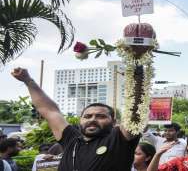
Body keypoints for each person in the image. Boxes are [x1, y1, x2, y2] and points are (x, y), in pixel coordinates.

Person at [11, 68, 140, 171]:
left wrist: (138, 68)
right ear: (80, 120)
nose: (93, 119)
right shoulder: (71, 138)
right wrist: (28, 81)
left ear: (114, 122)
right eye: (87, 116)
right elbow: (50, 111)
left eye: (101, 116)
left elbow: (134, 114)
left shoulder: (119, 138)